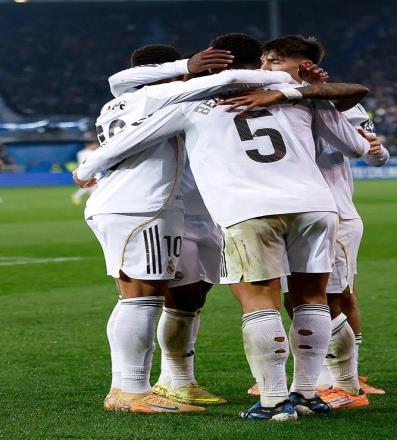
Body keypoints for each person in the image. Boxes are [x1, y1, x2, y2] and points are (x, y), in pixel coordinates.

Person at [75, 33, 372, 421]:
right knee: (313, 298)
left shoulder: (191, 103)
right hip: (317, 206)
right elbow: (359, 144)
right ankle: (308, 393)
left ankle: (274, 401)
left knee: (259, 300)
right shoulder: (296, 93)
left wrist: (85, 169)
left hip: (249, 209)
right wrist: (297, 88)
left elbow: (126, 139)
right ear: (259, 61)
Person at [76, 43, 267, 414]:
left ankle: (144, 385)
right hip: (144, 204)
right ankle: (131, 390)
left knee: (149, 297)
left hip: (132, 203)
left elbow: (119, 80)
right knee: (141, 298)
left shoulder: (119, 102)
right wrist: (287, 84)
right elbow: (227, 80)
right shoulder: (162, 96)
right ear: (170, 72)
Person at [239, 34, 388, 406]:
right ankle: (316, 377)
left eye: (275, 61)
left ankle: (346, 379)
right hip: (285, 212)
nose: (265, 67)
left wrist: (373, 146)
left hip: (332, 210)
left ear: (303, 65)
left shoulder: (334, 101)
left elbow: (374, 153)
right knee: (297, 298)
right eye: (264, 60)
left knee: (336, 297)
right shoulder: (263, 99)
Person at [106, 45, 234, 407]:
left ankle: (177, 379)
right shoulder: (155, 98)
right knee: (142, 297)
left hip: (194, 210)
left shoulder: (141, 101)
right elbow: (120, 79)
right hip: (161, 206)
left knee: (189, 297)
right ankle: (130, 389)